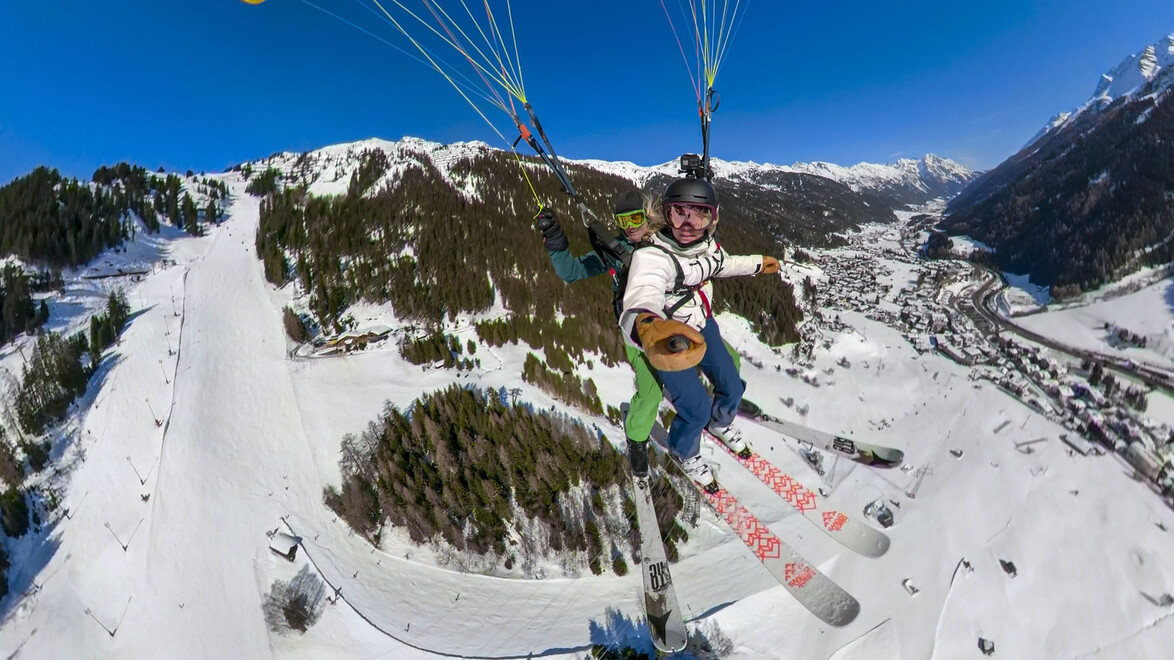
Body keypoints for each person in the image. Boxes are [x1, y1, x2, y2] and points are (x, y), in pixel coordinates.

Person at [535, 191, 741, 479]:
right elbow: (571, 272)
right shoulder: (614, 252)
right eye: (623, 221)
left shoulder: (668, 239)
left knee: (729, 360)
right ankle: (637, 438)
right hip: (640, 331)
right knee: (650, 392)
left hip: (682, 319)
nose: (630, 226)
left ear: (648, 217)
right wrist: (556, 242)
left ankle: (720, 411)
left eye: (636, 218)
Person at [619, 176, 779, 490]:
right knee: (695, 408)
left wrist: (757, 264)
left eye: (699, 214)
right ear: (665, 214)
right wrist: (647, 325)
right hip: (672, 341)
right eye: (679, 212)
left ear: (712, 218)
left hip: (704, 324)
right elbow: (643, 292)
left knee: (732, 386)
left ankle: (720, 422)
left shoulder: (709, 247)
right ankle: (685, 451)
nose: (688, 223)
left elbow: (724, 264)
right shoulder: (652, 255)